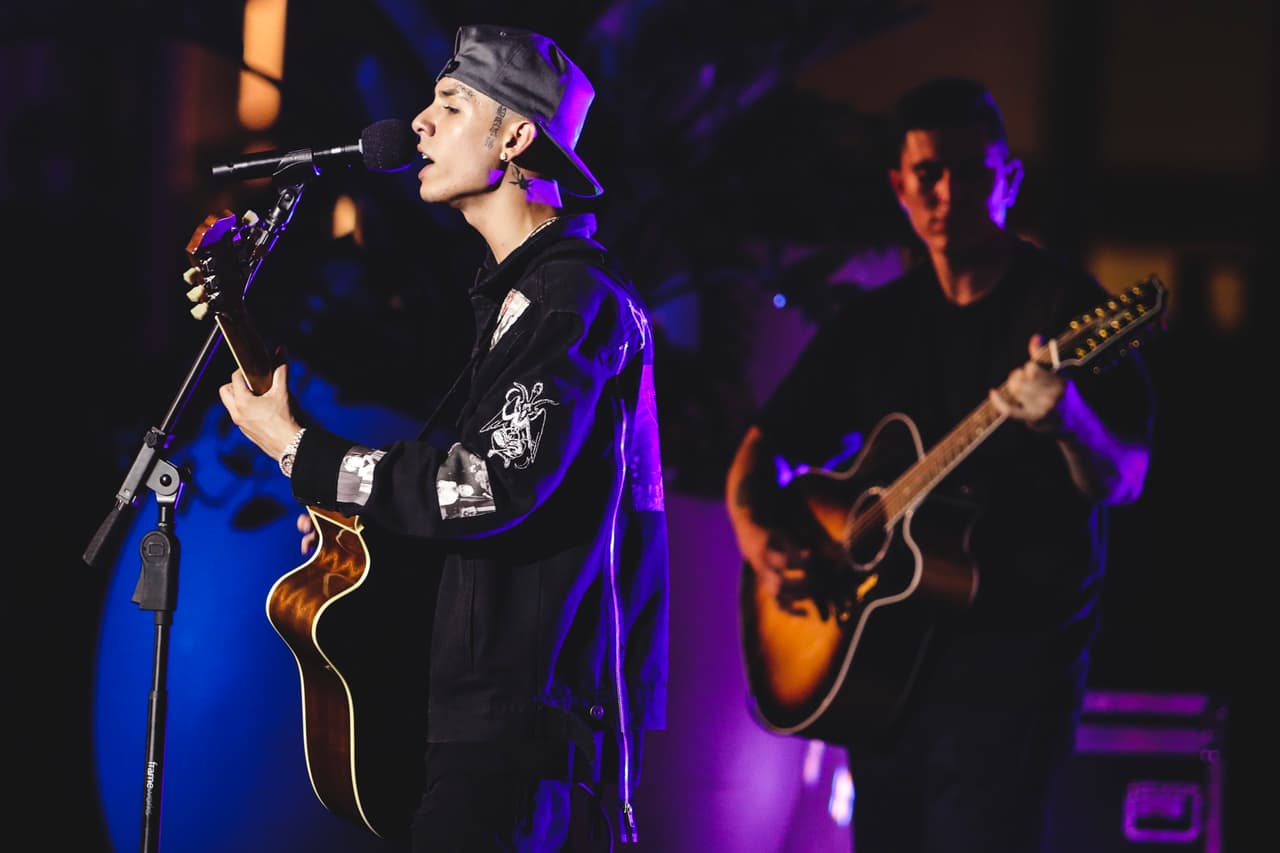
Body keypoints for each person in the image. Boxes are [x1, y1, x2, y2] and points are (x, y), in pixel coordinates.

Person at [218, 24, 669, 852]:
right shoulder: (525, 301)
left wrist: (301, 450)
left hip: (521, 743)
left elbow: (486, 486)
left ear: (516, 137)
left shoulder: (570, 299)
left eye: (451, 104)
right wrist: (363, 526)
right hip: (493, 732)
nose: (419, 122)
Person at [724, 76, 1156, 852]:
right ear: (900, 186)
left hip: (1013, 670)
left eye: (973, 172)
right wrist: (758, 535)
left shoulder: (1068, 310)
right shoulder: (876, 323)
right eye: (929, 172)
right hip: (880, 666)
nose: (949, 192)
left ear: (1009, 179)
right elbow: (765, 445)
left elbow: (1123, 477)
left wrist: (1069, 419)